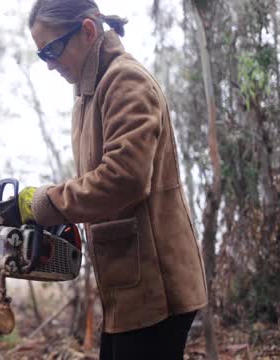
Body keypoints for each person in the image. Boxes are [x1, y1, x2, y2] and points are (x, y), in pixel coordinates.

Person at [19, 1, 208, 359]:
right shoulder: (87, 94)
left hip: (157, 287)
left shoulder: (124, 80)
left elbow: (126, 177)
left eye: (53, 50)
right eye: (41, 54)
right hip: (130, 289)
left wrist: (52, 203)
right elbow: (97, 182)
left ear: (88, 31)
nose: (49, 64)